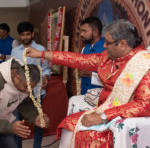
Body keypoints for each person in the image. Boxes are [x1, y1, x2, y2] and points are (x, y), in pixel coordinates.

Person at [25, 19, 149, 148]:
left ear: (123, 44)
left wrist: (103, 117)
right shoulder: (109, 57)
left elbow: (144, 105)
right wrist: (42, 54)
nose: (104, 46)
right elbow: (78, 60)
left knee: (85, 136)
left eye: (108, 42)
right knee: (69, 123)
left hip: (124, 118)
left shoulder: (144, 64)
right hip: (105, 109)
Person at [11, 22, 50, 148]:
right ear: (19, 36)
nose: (26, 37)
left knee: (38, 121)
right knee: (17, 122)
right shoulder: (15, 51)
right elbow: (12, 70)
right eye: (23, 35)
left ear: (32, 34)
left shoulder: (41, 49)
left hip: (37, 92)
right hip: (18, 93)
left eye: (28, 34)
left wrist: (45, 77)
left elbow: (45, 69)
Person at [0, 58, 49, 148]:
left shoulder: (24, 77)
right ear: (17, 78)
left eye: (30, 89)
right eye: (25, 87)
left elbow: (25, 103)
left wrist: (35, 117)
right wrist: (9, 127)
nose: (28, 91)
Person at [68, 16, 105, 115]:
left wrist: (91, 75)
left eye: (84, 31)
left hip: (101, 99)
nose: (81, 34)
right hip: (84, 94)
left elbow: (111, 78)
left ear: (96, 32)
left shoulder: (106, 49)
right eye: (81, 31)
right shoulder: (85, 48)